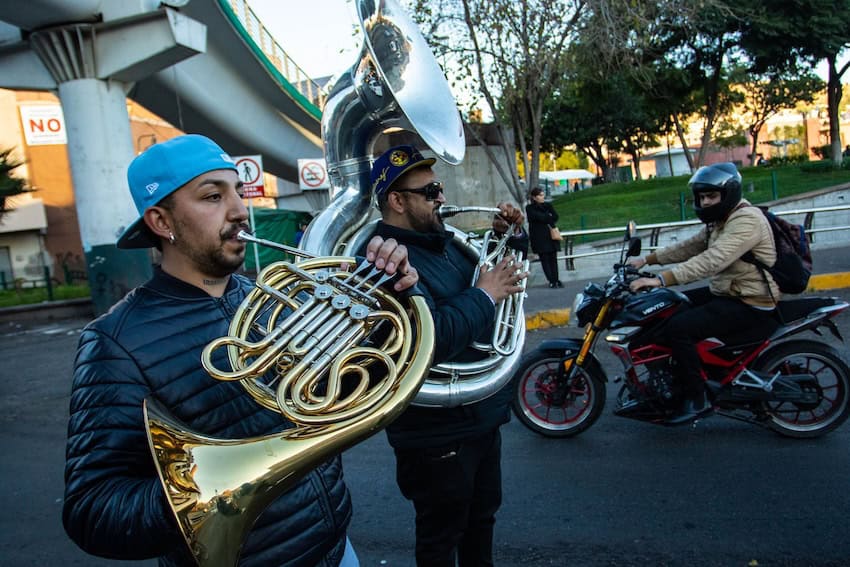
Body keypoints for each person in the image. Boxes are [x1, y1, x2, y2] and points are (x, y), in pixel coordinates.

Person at [62, 134, 419, 566]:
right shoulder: (115, 342)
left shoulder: (271, 294)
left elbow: (344, 389)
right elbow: (92, 509)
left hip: (336, 548)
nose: (239, 210)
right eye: (213, 196)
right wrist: (205, 496)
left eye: (238, 191)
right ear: (161, 221)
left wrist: (389, 302)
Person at [359, 144, 527, 566]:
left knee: (481, 522)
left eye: (439, 188)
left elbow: (475, 283)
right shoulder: (382, 260)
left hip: (480, 416)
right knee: (441, 540)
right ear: (397, 201)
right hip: (436, 436)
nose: (441, 198)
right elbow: (427, 342)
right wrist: (486, 294)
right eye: (430, 191)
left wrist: (504, 236)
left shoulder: (442, 243)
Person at [627, 162, 779, 425]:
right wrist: (647, 260)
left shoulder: (746, 220)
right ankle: (683, 375)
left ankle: (698, 398)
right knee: (671, 308)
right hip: (729, 292)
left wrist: (662, 280)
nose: (706, 202)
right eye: (702, 197)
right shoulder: (721, 220)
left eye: (711, 196)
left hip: (750, 300)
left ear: (728, 194)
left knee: (679, 328)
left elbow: (712, 260)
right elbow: (690, 247)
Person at [526, 186, 562, 288]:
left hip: (550, 235)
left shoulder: (548, 205)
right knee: (545, 259)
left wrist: (547, 217)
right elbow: (538, 217)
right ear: (534, 197)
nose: (542, 197)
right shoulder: (530, 208)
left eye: (543, 195)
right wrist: (547, 217)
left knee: (553, 258)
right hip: (539, 237)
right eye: (540, 195)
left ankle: (556, 279)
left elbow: (555, 217)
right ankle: (551, 280)